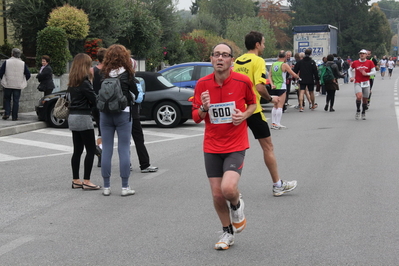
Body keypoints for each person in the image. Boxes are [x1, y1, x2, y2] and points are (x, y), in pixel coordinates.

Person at [192, 42, 256, 250]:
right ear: (211, 59)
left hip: (236, 143)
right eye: (216, 55)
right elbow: (195, 117)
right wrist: (204, 107)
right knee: (217, 194)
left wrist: (244, 114)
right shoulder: (202, 84)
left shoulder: (242, 81)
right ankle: (227, 232)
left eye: (224, 55)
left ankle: (237, 204)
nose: (220, 58)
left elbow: (253, 104)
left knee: (228, 189)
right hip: (212, 145)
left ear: (231, 60)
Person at [234, 31, 297, 197]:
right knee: (268, 147)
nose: (264, 45)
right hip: (253, 110)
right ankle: (277, 185)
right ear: (257, 44)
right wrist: (271, 99)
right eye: (263, 42)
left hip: (237, 108)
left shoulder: (238, 60)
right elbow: (260, 87)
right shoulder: (258, 61)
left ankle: (231, 188)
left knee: (233, 149)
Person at [100, 44, 138, 197]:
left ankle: (106, 186)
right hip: (123, 113)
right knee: (123, 149)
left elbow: (98, 92)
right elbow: (135, 91)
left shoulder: (103, 73)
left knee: (107, 149)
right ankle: (124, 187)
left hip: (105, 114)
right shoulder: (127, 73)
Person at [68, 53, 101, 190]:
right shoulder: (84, 82)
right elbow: (95, 100)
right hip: (83, 117)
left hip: (72, 118)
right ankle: (87, 181)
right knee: (91, 149)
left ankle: (76, 179)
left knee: (77, 150)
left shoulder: (72, 82)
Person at [130, 59, 158, 173]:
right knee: (138, 139)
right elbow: (139, 98)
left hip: (120, 114)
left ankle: (126, 164)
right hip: (133, 113)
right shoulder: (134, 80)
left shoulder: (117, 79)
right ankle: (144, 164)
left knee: (124, 141)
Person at [269, 51, 299, 129]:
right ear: (285, 57)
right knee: (280, 105)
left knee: (275, 105)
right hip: (281, 86)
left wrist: (272, 84)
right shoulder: (284, 65)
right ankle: (277, 123)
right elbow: (292, 73)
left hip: (274, 86)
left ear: (278, 57)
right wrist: (298, 77)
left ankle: (273, 122)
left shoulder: (273, 64)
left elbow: (270, 76)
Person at [0, 48, 31, 121]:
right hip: (18, 85)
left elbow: (1, 73)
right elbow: (28, 74)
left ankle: (7, 113)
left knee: (7, 99)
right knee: (16, 101)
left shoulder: (7, 62)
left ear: (12, 54)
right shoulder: (22, 63)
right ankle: (15, 116)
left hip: (8, 84)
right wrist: (22, 80)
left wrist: (4, 80)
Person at [348, 49, 376, 120]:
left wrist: (367, 74)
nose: (362, 55)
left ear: (366, 55)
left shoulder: (370, 62)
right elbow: (349, 69)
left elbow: (374, 72)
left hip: (366, 82)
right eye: (360, 53)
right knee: (359, 96)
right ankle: (358, 111)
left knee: (365, 99)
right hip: (358, 82)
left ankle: (363, 112)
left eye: (363, 54)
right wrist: (351, 77)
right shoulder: (355, 62)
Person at [90, 47, 107, 167]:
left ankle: (100, 154)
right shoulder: (109, 71)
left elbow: (90, 86)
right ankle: (103, 154)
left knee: (100, 131)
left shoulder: (92, 70)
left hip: (96, 104)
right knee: (106, 131)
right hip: (107, 104)